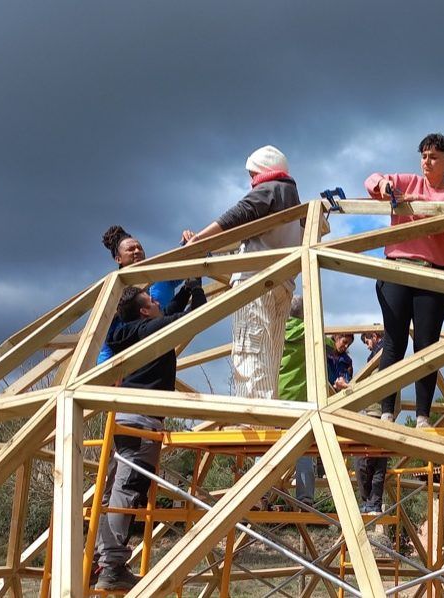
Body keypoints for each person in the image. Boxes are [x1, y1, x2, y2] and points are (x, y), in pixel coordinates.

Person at [95, 278, 206, 590]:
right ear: (145, 312)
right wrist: (196, 290)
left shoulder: (127, 331)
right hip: (142, 422)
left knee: (113, 489)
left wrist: (185, 287)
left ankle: (97, 556)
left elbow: (167, 311)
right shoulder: (149, 330)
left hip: (125, 417)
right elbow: (194, 316)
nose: (159, 303)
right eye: (153, 302)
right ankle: (112, 566)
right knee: (128, 490)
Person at [364, 133, 444, 429]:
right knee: (393, 341)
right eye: (423, 155)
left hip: (434, 273)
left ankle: (423, 416)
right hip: (397, 268)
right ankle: (387, 411)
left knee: (427, 344)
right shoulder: (407, 181)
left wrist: (420, 205)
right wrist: (384, 186)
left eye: (434, 156)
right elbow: (372, 179)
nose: (426, 161)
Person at [181, 145, 301, 400]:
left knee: (250, 350)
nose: (251, 181)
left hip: (255, 281)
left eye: (253, 174)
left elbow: (238, 214)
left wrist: (199, 240)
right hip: (283, 283)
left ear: (264, 171)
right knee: (270, 353)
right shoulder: (293, 202)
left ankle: (253, 416)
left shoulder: (271, 189)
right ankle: (267, 410)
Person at [97, 226, 181, 365]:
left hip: (162, 354)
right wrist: (103, 373)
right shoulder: (117, 294)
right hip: (132, 363)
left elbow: (191, 265)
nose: (137, 251)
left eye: (139, 248)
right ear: (118, 259)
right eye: (130, 249)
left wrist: (189, 242)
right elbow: (108, 342)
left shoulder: (161, 277)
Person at [277, 296, 316, 505]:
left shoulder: (278, 329)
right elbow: (327, 343)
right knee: (304, 451)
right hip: (299, 403)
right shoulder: (307, 331)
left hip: (276, 398)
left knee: (269, 447)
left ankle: (260, 494)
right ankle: (306, 497)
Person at [355, 330, 388, 513]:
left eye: (367, 340)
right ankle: (372, 503)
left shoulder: (382, 353)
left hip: (375, 412)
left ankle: (370, 502)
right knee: (375, 463)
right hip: (380, 413)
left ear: (374, 336)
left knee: (364, 461)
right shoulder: (378, 355)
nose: (367, 345)